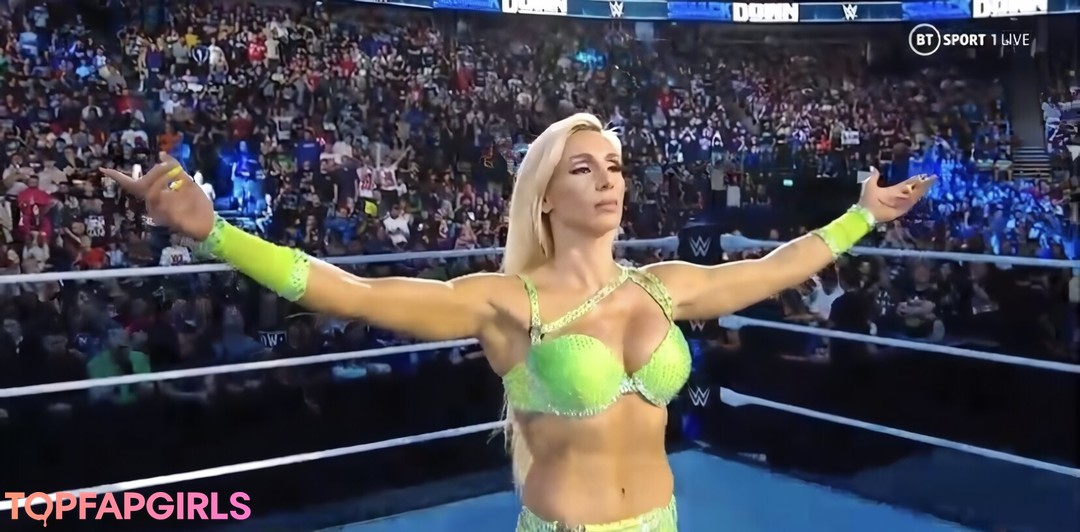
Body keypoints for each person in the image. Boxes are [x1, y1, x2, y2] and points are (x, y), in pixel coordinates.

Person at [102, 113, 933, 531]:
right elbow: (348, 292)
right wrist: (215, 233)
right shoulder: (506, 302)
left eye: (614, 167)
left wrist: (864, 216)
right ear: (546, 195)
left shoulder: (663, 286)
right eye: (584, 169)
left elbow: (774, 268)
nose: (607, 181)